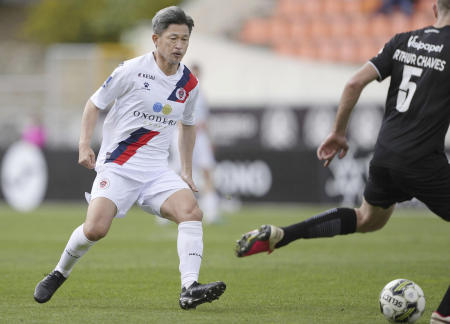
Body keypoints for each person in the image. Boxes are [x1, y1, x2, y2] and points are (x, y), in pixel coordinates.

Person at [235, 1, 450, 322]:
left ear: (433, 8)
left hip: (385, 156)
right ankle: (443, 316)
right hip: (422, 160)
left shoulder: (402, 41)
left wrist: (338, 133)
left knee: (369, 219)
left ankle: (284, 234)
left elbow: (353, 83)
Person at [33, 6, 226, 310]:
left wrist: (186, 171)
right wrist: (84, 145)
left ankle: (189, 287)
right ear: (155, 38)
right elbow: (94, 104)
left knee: (191, 212)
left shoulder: (189, 85)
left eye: (185, 39)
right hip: (119, 166)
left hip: (155, 171)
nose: (179, 45)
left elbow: (188, 127)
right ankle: (59, 272)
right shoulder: (131, 70)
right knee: (95, 229)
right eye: (173, 38)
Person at [169, 63, 221, 224]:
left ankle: (211, 211)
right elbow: (172, 114)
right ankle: (167, 209)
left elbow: (205, 119)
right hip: (183, 134)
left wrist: (209, 138)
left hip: (200, 136)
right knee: (177, 171)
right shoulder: (179, 91)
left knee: (207, 170)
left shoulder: (201, 94)